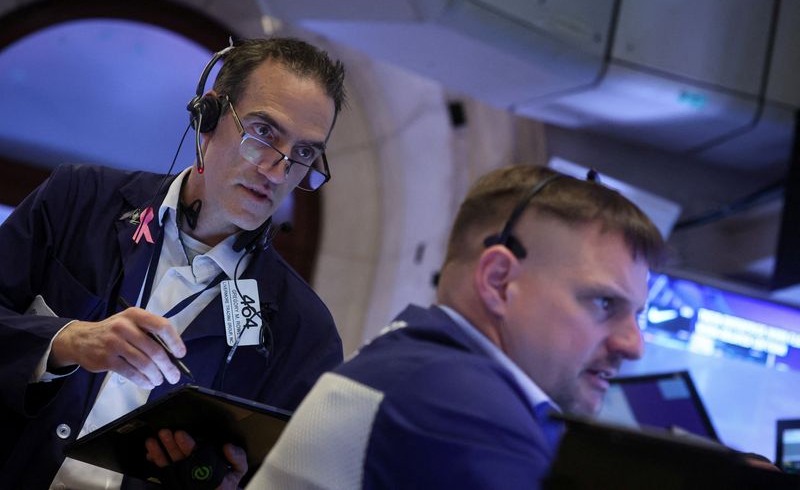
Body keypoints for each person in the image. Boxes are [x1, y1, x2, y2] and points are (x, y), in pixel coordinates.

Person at [0, 36, 347, 489]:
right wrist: (65, 342)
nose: (277, 171)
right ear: (207, 116)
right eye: (263, 132)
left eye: (303, 153)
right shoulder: (77, 200)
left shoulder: (304, 333)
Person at [247, 164, 667, 489]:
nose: (633, 345)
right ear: (498, 281)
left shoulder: (423, 365)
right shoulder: (459, 409)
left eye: (637, 315)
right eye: (604, 302)